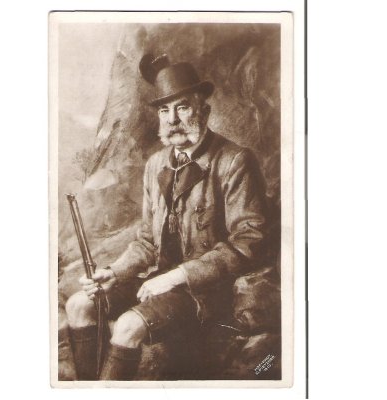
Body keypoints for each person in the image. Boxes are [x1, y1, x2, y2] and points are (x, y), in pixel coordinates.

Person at [64, 54, 268, 380]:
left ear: (203, 110)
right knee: (78, 305)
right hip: (155, 280)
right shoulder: (156, 165)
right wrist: (114, 273)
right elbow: (147, 240)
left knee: (128, 326)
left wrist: (177, 277)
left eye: (182, 108)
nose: (172, 119)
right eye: (164, 110)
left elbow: (249, 241)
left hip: (202, 292)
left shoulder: (235, 161)